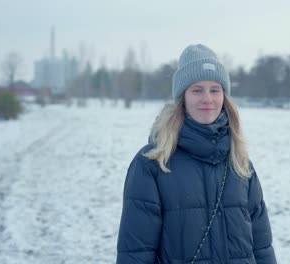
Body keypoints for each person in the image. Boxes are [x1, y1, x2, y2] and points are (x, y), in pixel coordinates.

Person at [116, 44, 277, 264]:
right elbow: (135, 253)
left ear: (224, 96)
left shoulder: (239, 161)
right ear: (182, 97)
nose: (208, 99)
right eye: (197, 90)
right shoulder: (152, 164)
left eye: (215, 89)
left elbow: (262, 246)